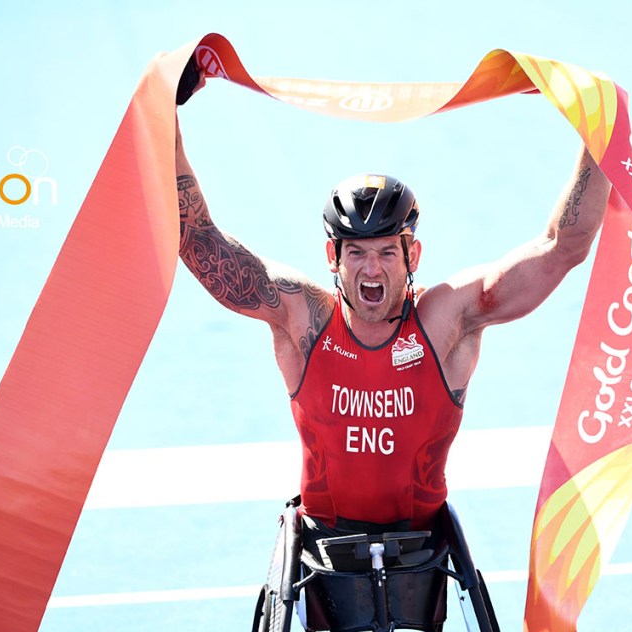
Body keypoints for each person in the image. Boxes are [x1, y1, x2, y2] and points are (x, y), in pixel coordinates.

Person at [174, 69, 610, 548]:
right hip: (324, 544)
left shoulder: (447, 321)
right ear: (333, 260)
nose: (371, 270)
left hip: (421, 547)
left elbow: (562, 245)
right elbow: (196, 239)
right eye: (356, 253)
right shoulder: (304, 317)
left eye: (385, 252)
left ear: (412, 257)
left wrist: (599, 129)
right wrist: (166, 114)